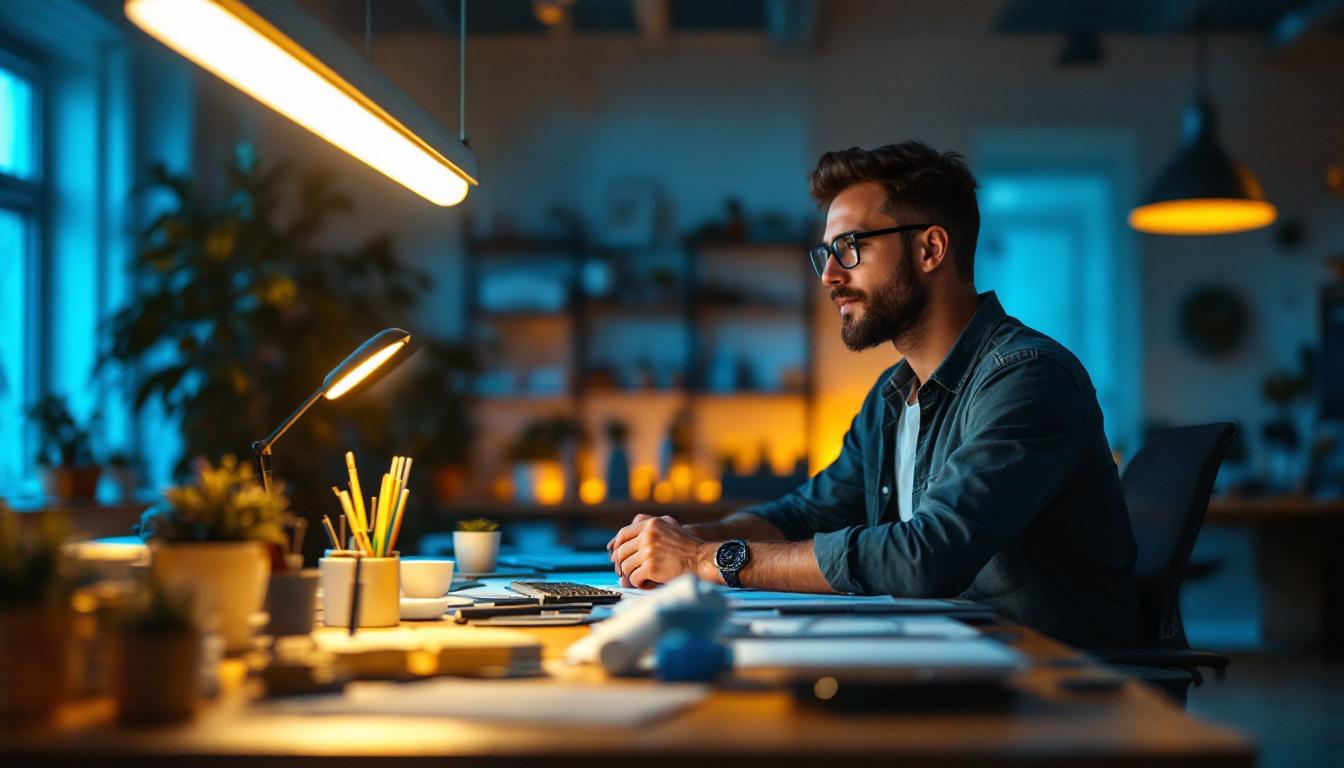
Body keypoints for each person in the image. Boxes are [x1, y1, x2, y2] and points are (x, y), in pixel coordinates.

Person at [607, 141, 1139, 648]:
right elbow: (804, 514)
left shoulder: (1027, 379)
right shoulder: (891, 395)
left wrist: (705, 560)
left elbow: (926, 555)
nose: (829, 275)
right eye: (826, 253)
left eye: (850, 248)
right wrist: (685, 538)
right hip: (945, 659)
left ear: (930, 249)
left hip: (1050, 683)